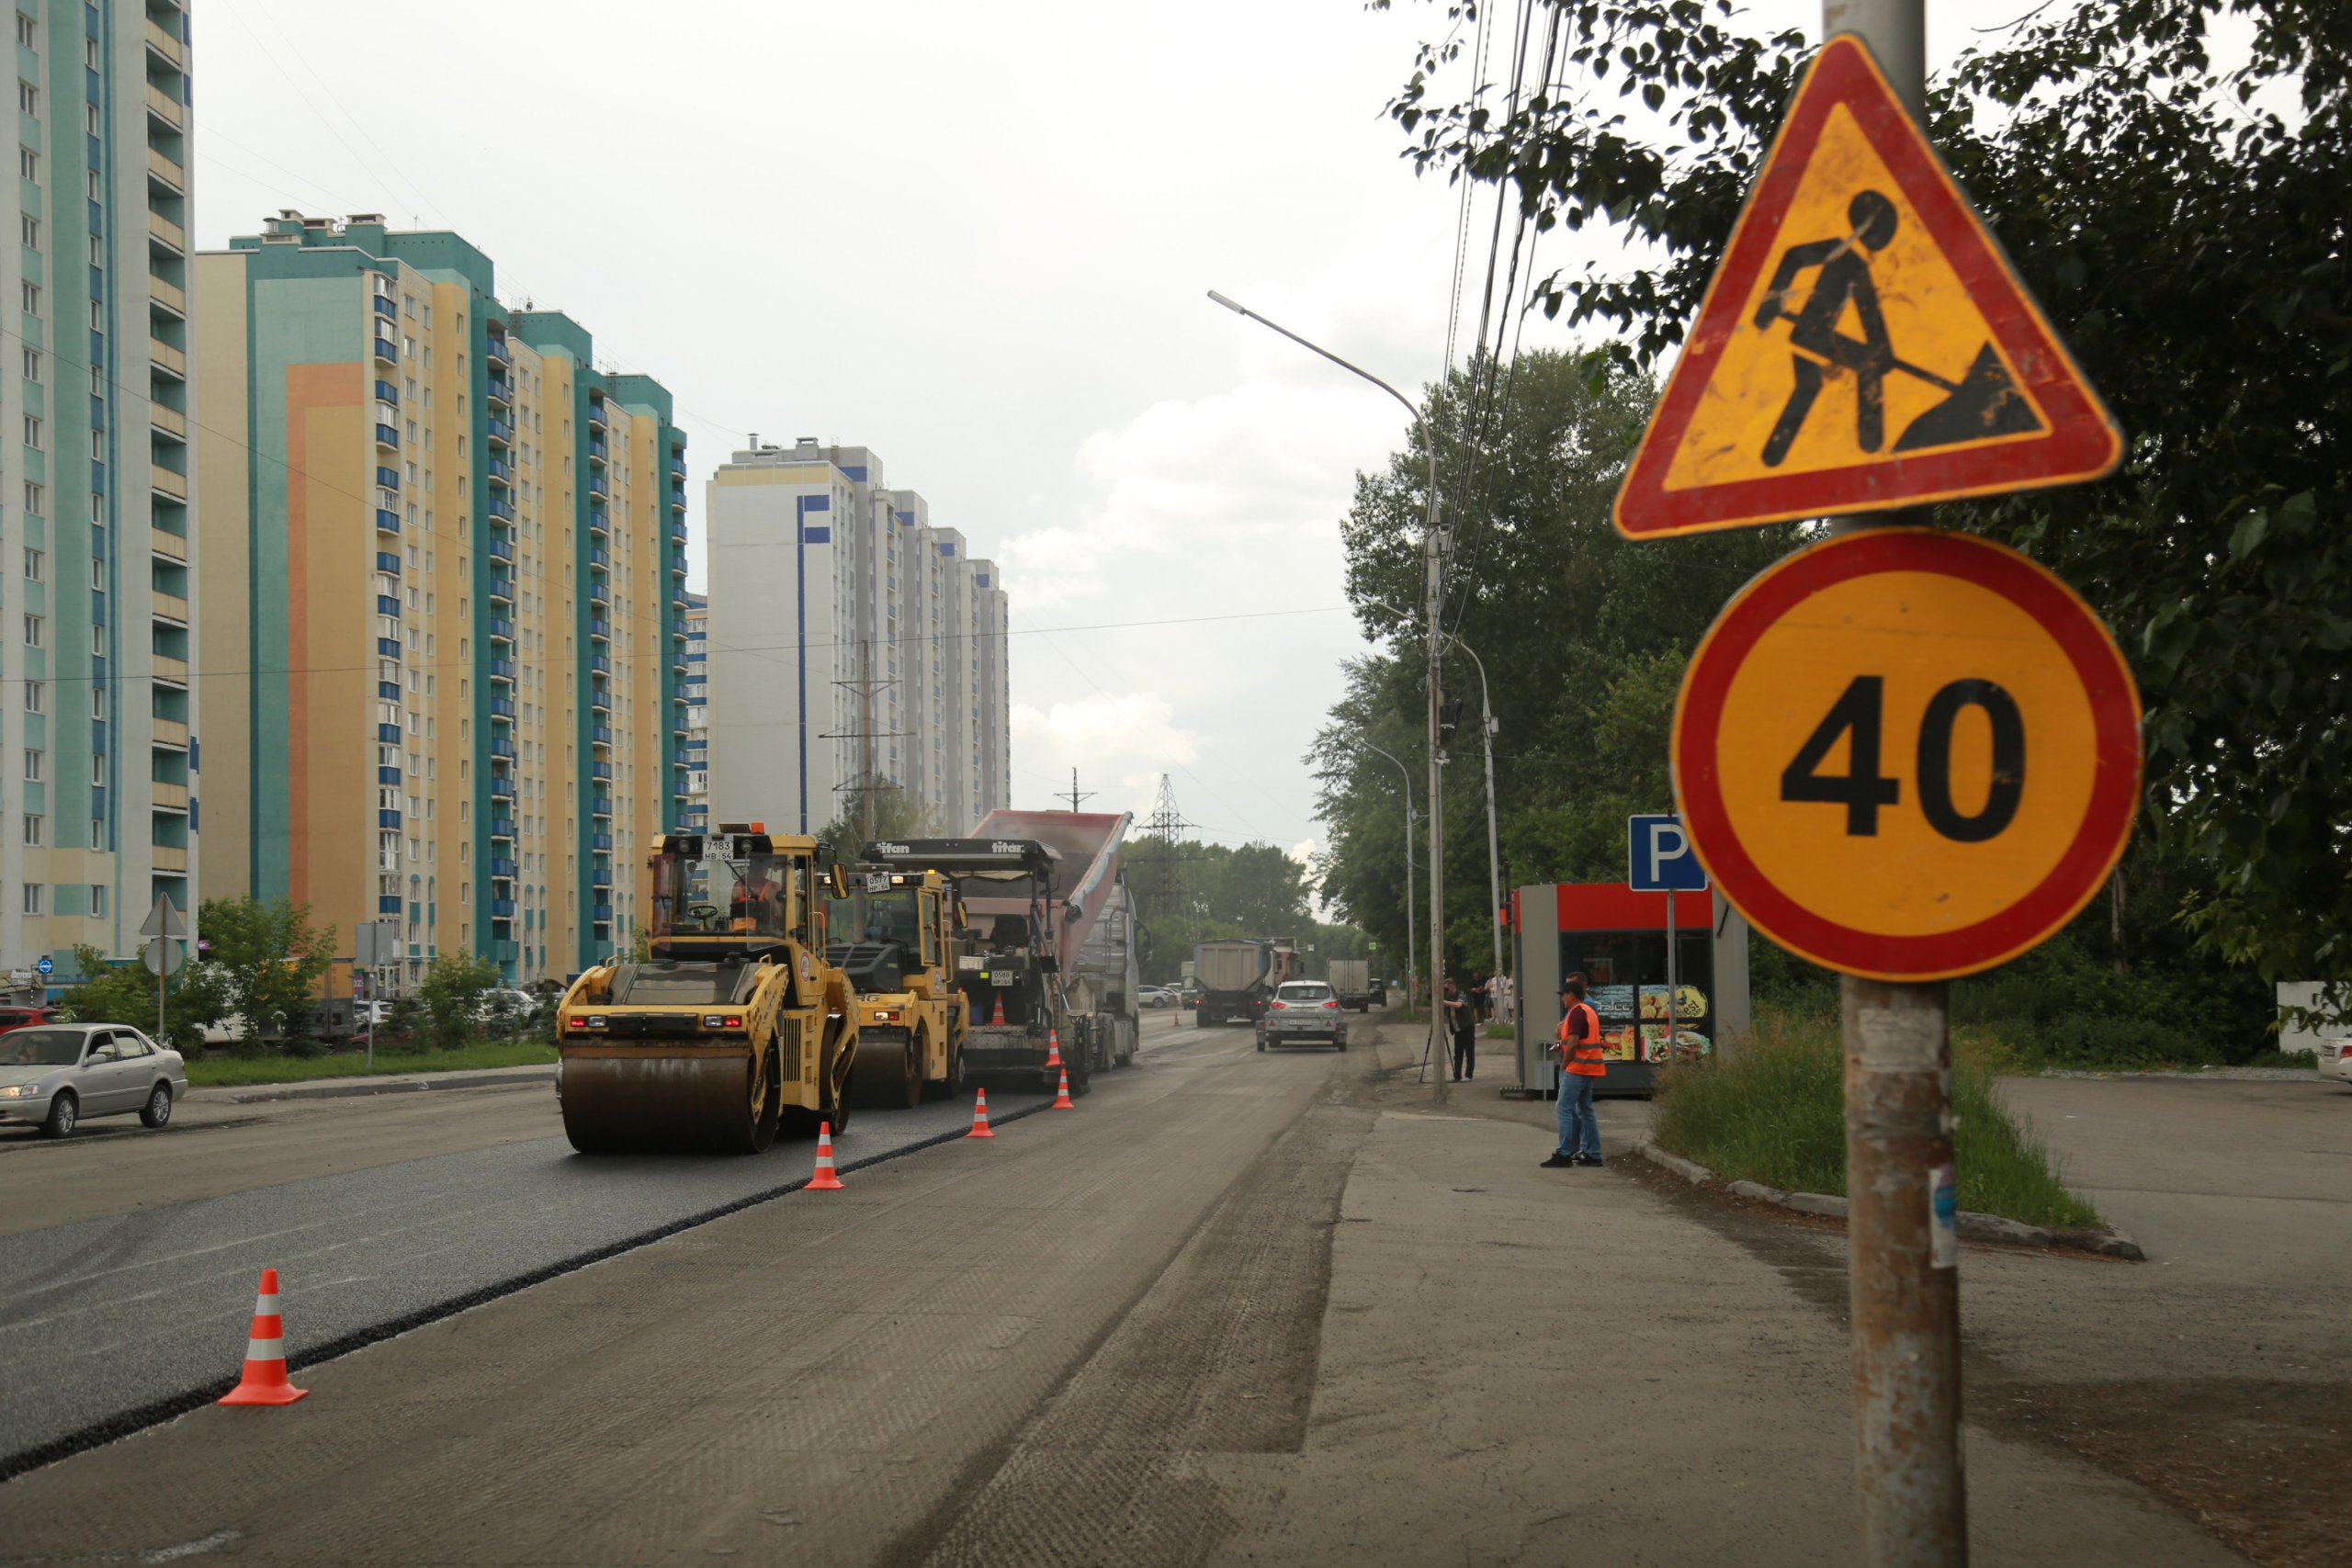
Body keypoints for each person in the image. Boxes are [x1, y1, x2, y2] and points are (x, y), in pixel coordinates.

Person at [1542, 974, 1607, 1168]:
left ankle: (1564, 1153)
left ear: (1571, 995)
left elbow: (1572, 1043)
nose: (1562, 999)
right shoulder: (1588, 1010)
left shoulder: (1578, 1012)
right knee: (1585, 1110)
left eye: (1563, 995)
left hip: (1576, 1067)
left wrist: (1564, 1066)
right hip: (1589, 1067)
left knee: (1564, 1108)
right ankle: (1593, 1153)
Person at [1442, 977, 1476, 1082]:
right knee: (1458, 1053)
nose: (1446, 991)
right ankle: (1457, 1076)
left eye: (1447, 989)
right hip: (1457, 1029)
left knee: (1469, 1052)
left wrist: (1444, 1002)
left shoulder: (1461, 994)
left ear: (1452, 986)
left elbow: (1458, 1005)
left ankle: (1469, 1075)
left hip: (1467, 1027)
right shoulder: (1448, 996)